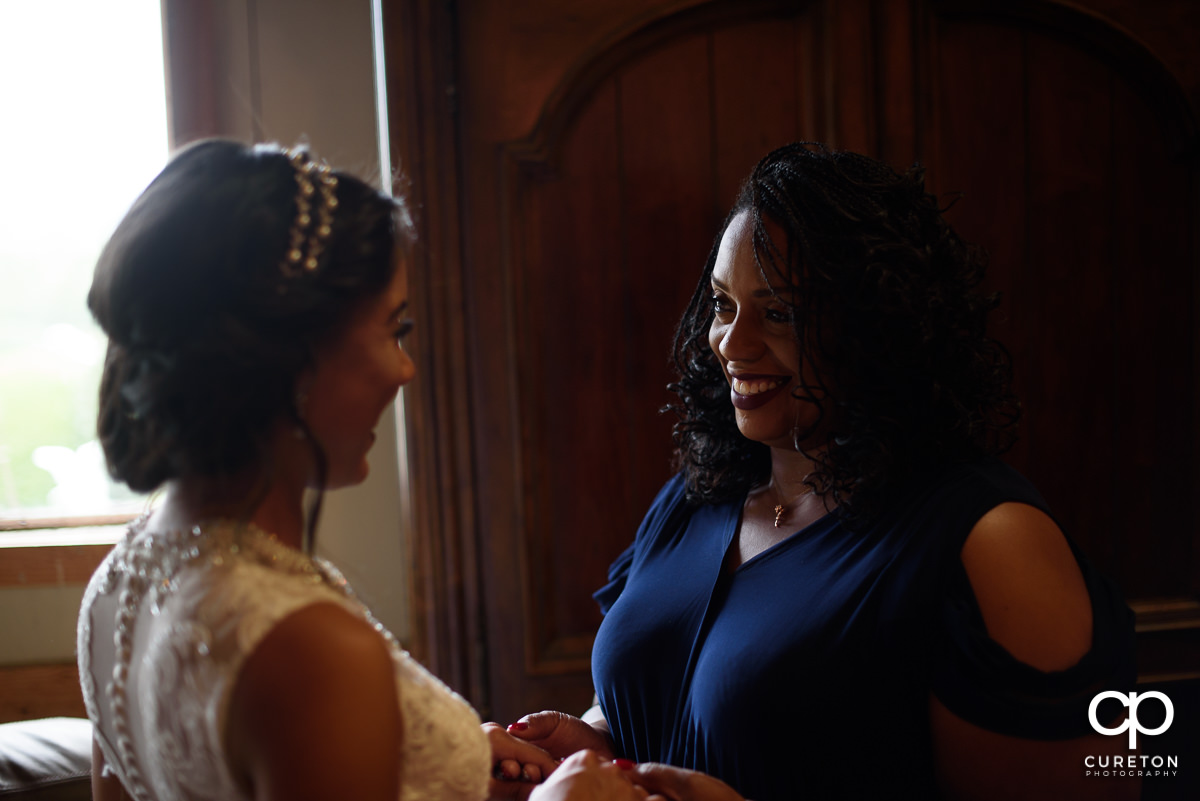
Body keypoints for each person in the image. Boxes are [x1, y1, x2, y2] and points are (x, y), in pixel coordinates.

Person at [493, 143, 1139, 800]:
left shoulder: (990, 543)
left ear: (880, 324)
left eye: (779, 313)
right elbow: (670, 705)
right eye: (722, 304)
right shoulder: (696, 497)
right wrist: (592, 743)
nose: (732, 344)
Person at [76, 139, 648, 801]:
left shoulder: (121, 580)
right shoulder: (307, 648)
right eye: (394, 330)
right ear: (296, 359)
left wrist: (434, 753)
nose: (406, 369)